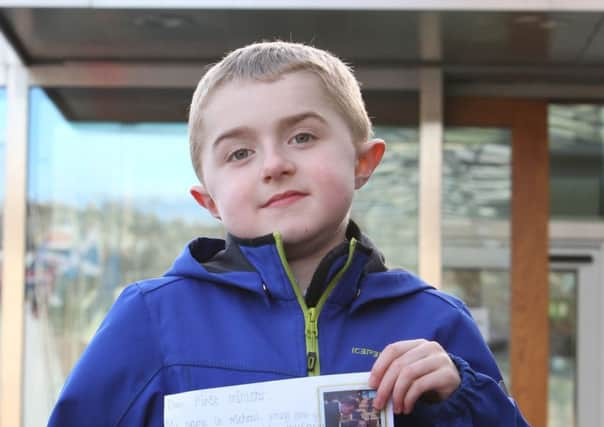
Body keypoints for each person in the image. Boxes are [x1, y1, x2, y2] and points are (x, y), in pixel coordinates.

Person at [48, 41, 529, 426]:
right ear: (209, 202)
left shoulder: (434, 322)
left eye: (302, 137)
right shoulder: (151, 319)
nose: (275, 165)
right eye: (239, 153)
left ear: (363, 162)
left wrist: (462, 397)